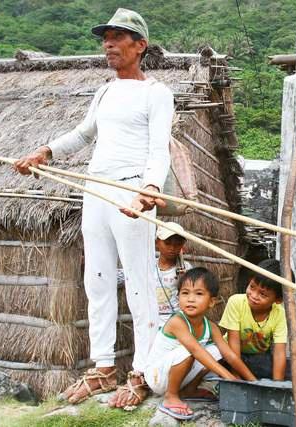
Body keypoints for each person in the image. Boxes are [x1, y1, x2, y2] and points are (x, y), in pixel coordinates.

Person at [13, 8, 174, 409]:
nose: (109, 43)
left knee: (138, 283)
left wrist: (149, 189)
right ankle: (103, 367)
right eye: (106, 37)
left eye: (119, 37)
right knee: (97, 279)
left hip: (132, 192)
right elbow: (85, 134)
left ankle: (141, 372)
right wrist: (45, 151)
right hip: (95, 190)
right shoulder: (104, 92)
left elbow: (159, 148)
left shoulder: (157, 92)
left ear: (140, 46)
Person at [144, 267, 257, 421]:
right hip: (157, 377)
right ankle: (171, 396)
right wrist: (230, 378)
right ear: (178, 298)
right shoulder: (177, 321)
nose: (190, 299)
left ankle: (189, 390)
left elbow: (230, 355)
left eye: (198, 294)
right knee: (191, 351)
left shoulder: (211, 326)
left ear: (212, 302)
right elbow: (196, 351)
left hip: (178, 372)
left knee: (216, 350)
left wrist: (253, 382)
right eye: (185, 293)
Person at [219, 259, 289, 380]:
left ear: (277, 300)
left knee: (278, 370)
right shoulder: (236, 302)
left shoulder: (279, 313)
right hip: (230, 355)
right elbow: (233, 345)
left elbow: (279, 352)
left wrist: (277, 385)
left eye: (263, 294)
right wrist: (237, 378)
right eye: (252, 287)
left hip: (258, 358)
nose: (254, 296)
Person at [154, 222, 192, 326]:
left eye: (178, 244)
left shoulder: (186, 268)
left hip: (177, 324)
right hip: (152, 322)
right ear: (157, 242)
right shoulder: (148, 266)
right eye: (167, 243)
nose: (172, 248)